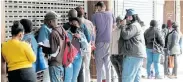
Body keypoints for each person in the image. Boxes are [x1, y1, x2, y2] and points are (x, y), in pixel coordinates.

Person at [118, 9, 146, 82]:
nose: (126, 19)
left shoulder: (134, 26)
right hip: (137, 54)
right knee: (136, 78)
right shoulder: (136, 25)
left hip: (133, 55)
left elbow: (126, 35)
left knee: (127, 77)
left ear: (131, 17)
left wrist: (123, 26)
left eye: (127, 17)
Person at [91, 1, 116, 82]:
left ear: (98, 7)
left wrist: (92, 43)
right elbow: (114, 28)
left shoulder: (94, 16)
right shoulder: (111, 14)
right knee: (108, 66)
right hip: (109, 42)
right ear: (104, 7)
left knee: (99, 67)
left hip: (99, 42)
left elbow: (93, 31)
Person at [64, 17, 87, 82]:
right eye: (73, 23)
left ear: (79, 25)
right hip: (69, 58)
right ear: (70, 24)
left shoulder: (81, 34)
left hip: (78, 57)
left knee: (74, 78)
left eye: (76, 24)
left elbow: (85, 46)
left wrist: (80, 38)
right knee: (68, 78)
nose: (74, 25)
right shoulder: (66, 33)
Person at [37, 11, 59, 82]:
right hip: (45, 57)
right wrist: (46, 55)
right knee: (47, 77)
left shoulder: (49, 29)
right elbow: (41, 44)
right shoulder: (44, 29)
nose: (57, 22)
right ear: (50, 21)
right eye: (55, 20)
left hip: (49, 57)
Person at [75, 6, 95, 82]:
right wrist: (92, 44)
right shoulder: (89, 22)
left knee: (80, 67)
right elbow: (92, 35)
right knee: (87, 67)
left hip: (78, 48)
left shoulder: (75, 23)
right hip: (88, 46)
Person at [110, 16, 123, 82]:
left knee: (119, 75)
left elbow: (111, 44)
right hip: (119, 55)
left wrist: (110, 54)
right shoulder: (123, 31)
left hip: (113, 55)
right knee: (122, 75)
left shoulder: (113, 31)